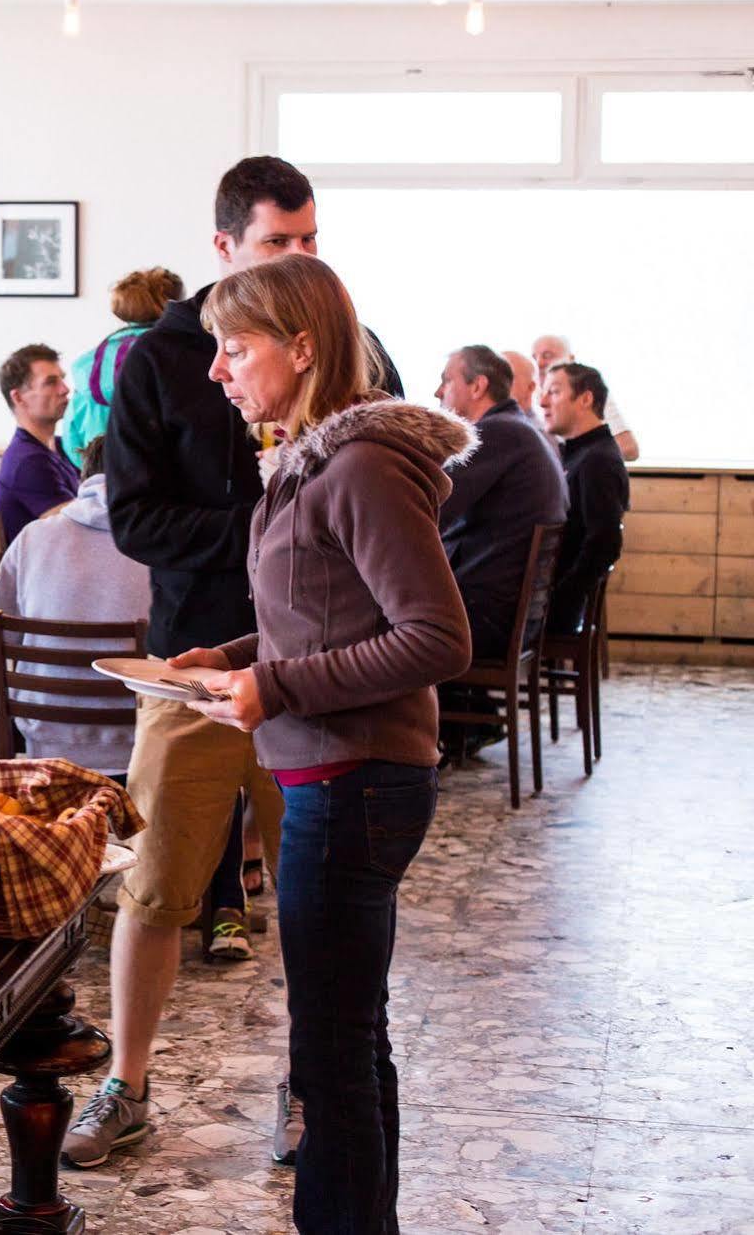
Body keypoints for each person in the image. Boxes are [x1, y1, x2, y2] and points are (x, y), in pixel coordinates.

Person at [174, 254, 473, 1233]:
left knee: (328, 1058)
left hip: (355, 785)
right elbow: (322, 613)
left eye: (236, 346)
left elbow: (435, 637)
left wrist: (277, 685)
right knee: (349, 1039)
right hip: (332, 778)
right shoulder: (307, 461)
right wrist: (230, 655)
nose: (219, 369)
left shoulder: (360, 466)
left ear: (301, 349)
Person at [79, 155, 314, 1171]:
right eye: (278, 244)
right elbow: (134, 518)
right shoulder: (158, 363)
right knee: (156, 887)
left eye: (309, 242)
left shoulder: (341, 349)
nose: (300, 260)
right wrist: (259, 532)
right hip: (194, 654)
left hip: (315, 666)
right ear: (223, 249)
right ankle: (126, 1084)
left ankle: (308, 1093)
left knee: (312, 891)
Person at [0, 437, 149, 775]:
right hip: (145, 744)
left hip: (48, 751)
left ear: (83, 479)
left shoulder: (33, 538)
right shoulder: (164, 545)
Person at [435, 345, 567, 658]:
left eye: (446, 381)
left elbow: (432, 508)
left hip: (486, 620)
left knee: (372, 625)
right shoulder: (519, 429)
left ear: (477, 386)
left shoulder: (496, 434)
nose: (437, 391)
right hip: (513, 617)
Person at [62, 267, 185, 464]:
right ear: (173, 303)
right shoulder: (179, 354)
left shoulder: (88, 364)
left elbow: (72, 439)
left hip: (101, 476)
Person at [542, 362, 630, 635]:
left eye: (554, 392)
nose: (542, 402)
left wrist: (557, 601)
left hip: (556, 609)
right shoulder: (582, 453)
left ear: (586, 399)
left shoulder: (597, 459)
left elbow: (605, 542)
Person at [0, 344, 79, 548]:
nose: (65, 389)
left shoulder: (59, 447)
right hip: (47, 577)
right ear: (18, 397)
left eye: (62, 379)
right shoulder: (27, 461)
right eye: (51, 382)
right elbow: (78, 529)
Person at [532, 335, 639, 461]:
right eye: (534, 358)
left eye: (547, 356)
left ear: (570, 360)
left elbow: (628, 448)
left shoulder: (588, 390)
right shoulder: (529, 397)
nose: (539, 363)